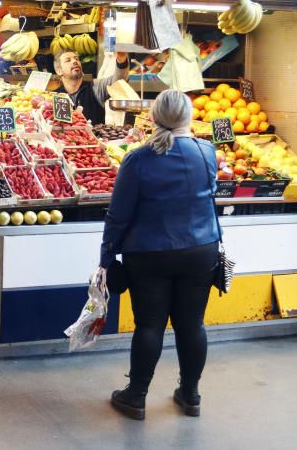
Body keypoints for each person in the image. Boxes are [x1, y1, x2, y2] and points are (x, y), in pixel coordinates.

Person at [100, 89, 221, 420]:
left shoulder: (138, 159)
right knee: (192, 325)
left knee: (149, 325)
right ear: (188, 116)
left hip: (149, 253)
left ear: (152, 117)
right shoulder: (207, 152)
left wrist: (106, 258)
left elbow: (118, 215)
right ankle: (191, 395)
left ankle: (136, 396)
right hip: (200, 249)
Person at [53, 49, 130, 124]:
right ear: (59, 71)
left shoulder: (95, 87)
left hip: (95, 136)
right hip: (66, 137)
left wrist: (122, 60)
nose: (74, 61)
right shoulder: (54, 96)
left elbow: (118, 82)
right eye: (68, 60)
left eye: (76, 59)